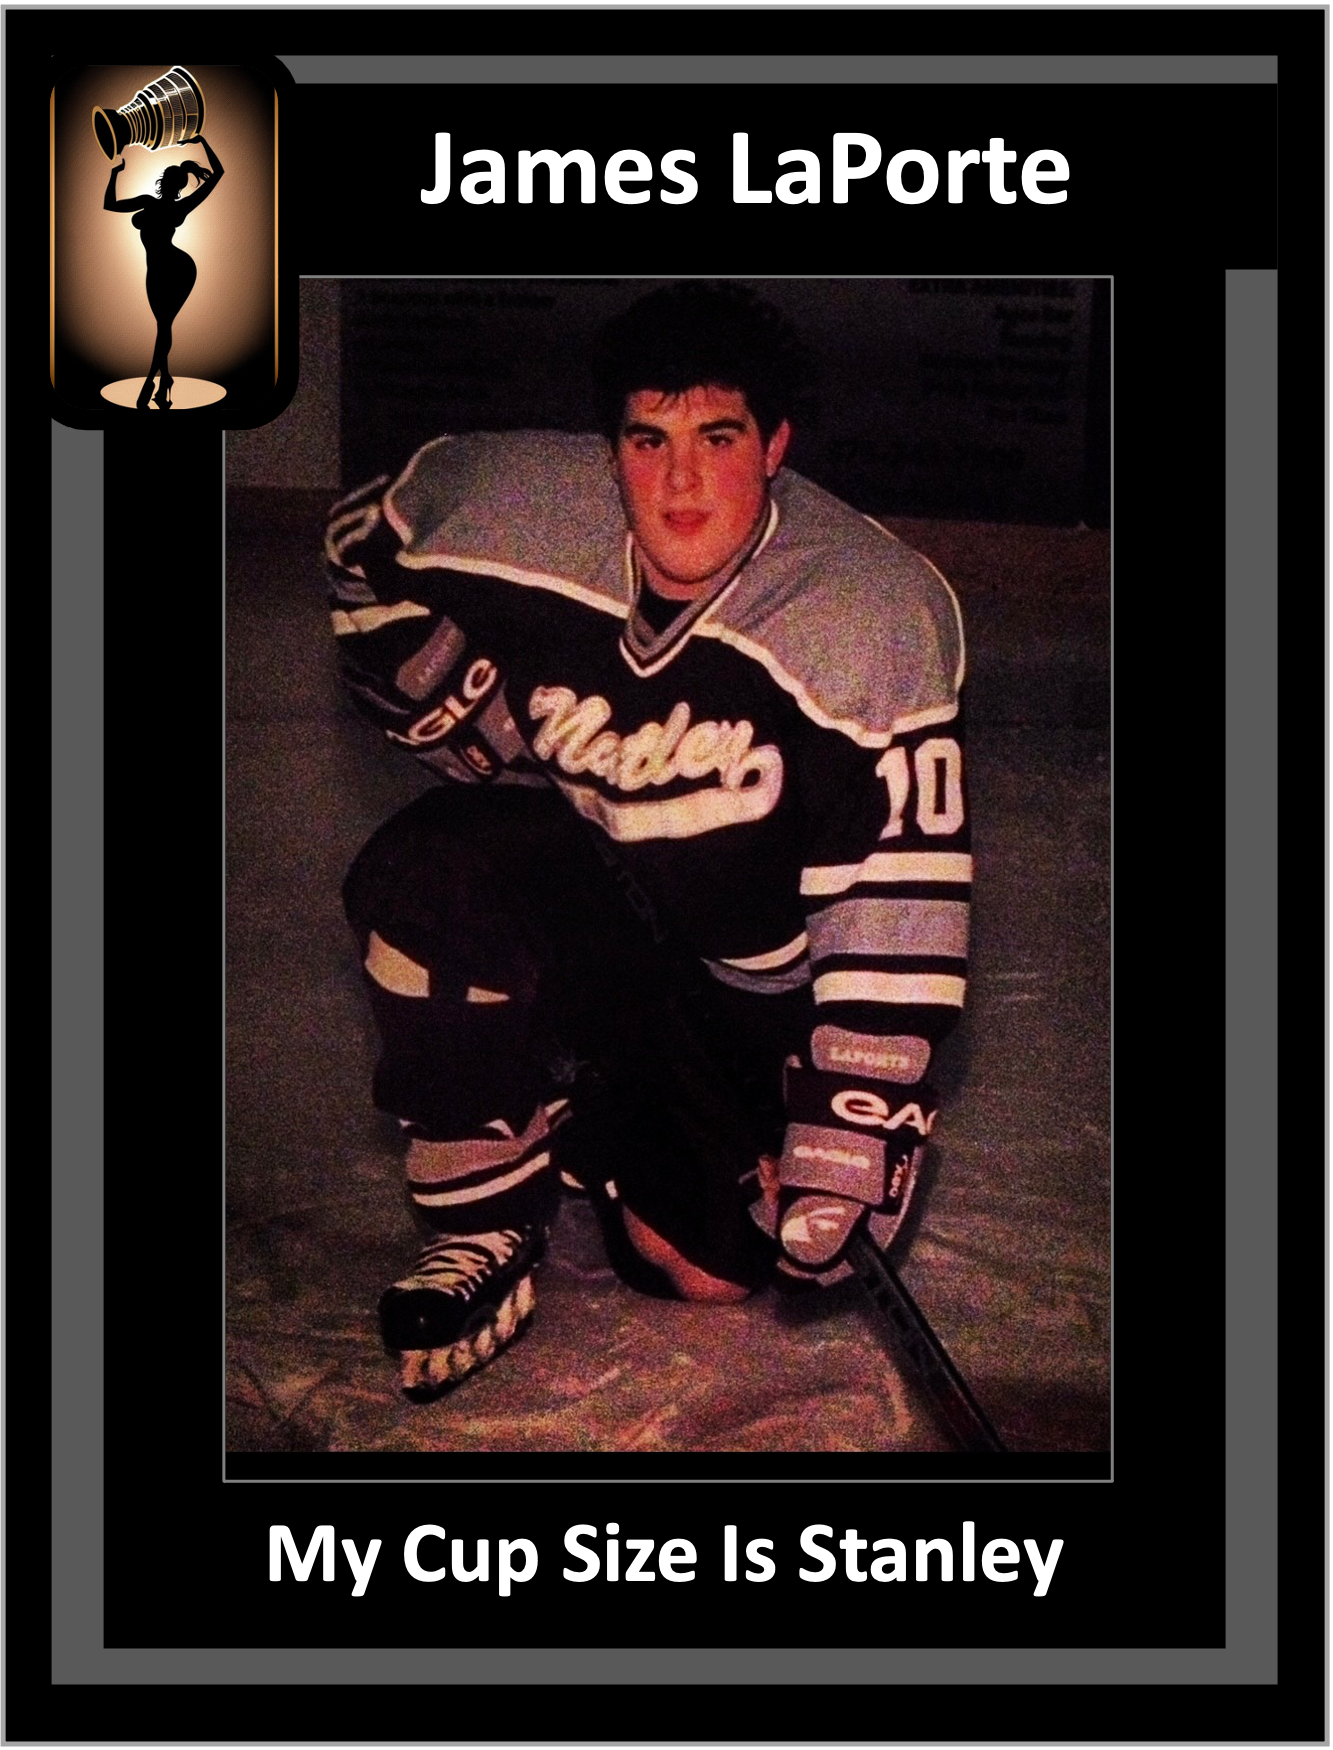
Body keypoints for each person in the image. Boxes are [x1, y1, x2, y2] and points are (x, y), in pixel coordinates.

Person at [324, 282, 969, 1401]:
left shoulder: (868, 615)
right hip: (607, 896)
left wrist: (851, 1119)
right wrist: (464, 712)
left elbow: (894, 901)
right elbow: (357, 544)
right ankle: (481, 1213)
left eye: (718, 438)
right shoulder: (513, 507)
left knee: (704, 1270)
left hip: (758, 989)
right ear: (609, 446)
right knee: (434, 872)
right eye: (646, 440)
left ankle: (584, 1106)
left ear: (774, 445)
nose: (679, 484)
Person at [103, 135, 223, 408]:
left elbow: (218, 174)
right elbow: (110, 205)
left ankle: (149, 381)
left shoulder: (181, 207)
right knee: (162, 325)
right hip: (155, 271)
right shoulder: (149, 201)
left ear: (171, 183)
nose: (167, 183)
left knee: (164, 324)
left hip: (178, 268)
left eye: (170, 180)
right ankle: (166, 379)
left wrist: (203, 141)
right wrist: (114, 174)